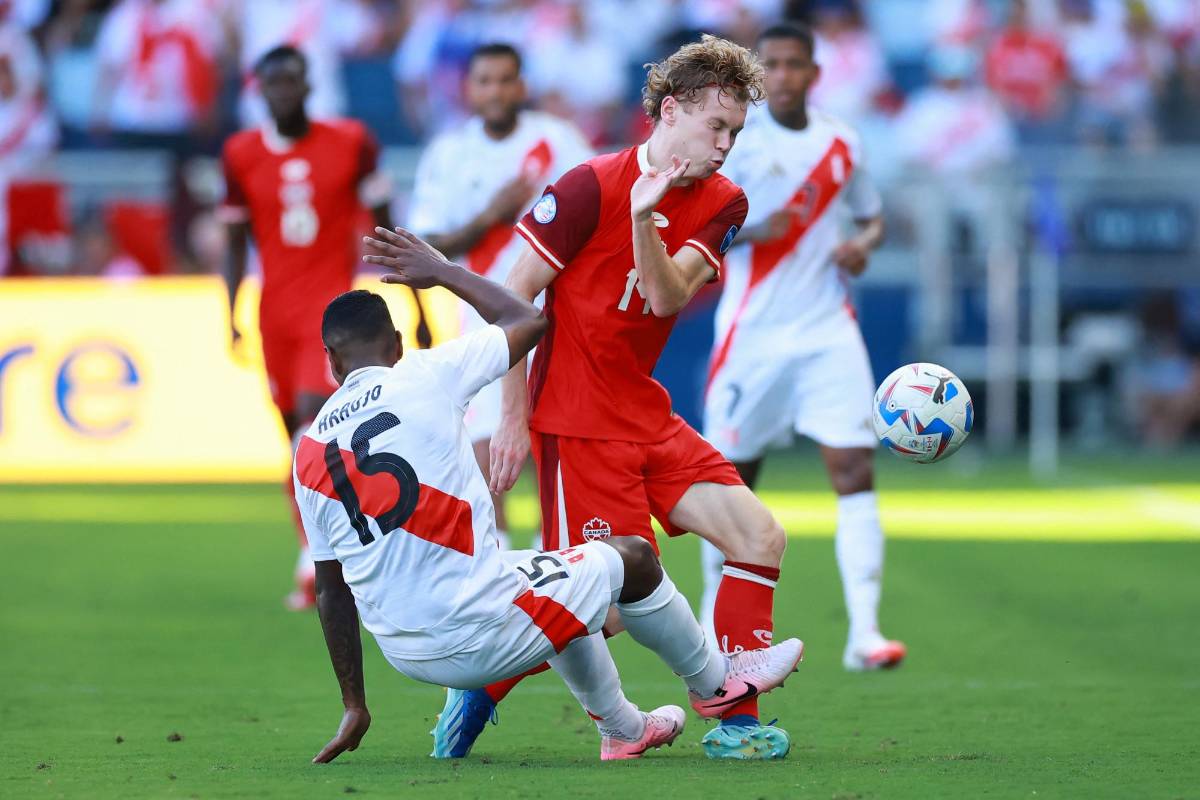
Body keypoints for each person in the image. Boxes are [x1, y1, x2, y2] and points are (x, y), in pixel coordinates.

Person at [296, 227, 804, 763]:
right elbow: (527, 319)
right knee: (633, 558)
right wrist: (443, 272)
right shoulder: (425, 374)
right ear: (397, 345)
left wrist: (354, 704)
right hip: (476, 629)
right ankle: (716, 684)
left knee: (563, 576)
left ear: (331, 361)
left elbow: (330, 590)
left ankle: (625, 730)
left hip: (406, 655)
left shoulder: (308, 451)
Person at [434, 34, 796, 762]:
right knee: (606, 609)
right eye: (715, 126)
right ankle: (482, 682)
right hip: (575, 421)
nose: (725, 146)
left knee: (760, 538)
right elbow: (511, 301)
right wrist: (511, 418)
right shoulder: (585, 186)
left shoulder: (724, 201)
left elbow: (665, 297)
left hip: (645, 413)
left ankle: (735, 723)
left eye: (735, 132)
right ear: (671, 110)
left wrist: (641, 220)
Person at [698, 23, 899, 673]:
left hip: (827, 329)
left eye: (794, 64)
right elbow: (692, 224)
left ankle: (865, 632)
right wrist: (757, 229)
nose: (783, 75)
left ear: (814, 73)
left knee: (854, 468)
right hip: (752, 334)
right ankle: (710, 624)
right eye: (774, 65)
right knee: (731, 484)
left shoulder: (842, 142)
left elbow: (871, 215)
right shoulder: (735, 141)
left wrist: (862, 245)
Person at [219, 45, 430, 611]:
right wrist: (230, 311)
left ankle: (323, 566)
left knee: (314, 429)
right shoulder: (239, 153)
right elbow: (235, 240)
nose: (283, 92)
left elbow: (386, 226)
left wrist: (418, 307)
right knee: (294, 440)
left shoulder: (352, 142)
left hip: (330, 311)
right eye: (273, 83)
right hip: (273, 316)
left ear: (309, 86)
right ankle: (316, 551)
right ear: (260, 91)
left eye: (292, 81)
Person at [407, 42, 593, 551]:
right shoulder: (450, 154)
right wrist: (490, 215)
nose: (495, 91)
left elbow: (599, 213)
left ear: (521, 85)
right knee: (489, 453)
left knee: (555, 447)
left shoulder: (558, 141)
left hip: (559, 314)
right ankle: (503, 568)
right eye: (484, 81)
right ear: (469, 89)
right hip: (483, 321)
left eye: (505, 80)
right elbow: (426, 246)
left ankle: (559, 560)